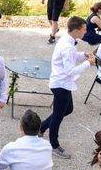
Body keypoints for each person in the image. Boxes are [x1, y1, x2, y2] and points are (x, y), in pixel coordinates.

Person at [40, 16, 96, 159]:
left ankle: (41, 127)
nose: (86, 32)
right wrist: (88, 63)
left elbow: (72, 56)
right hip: (61, 84)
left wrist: (83, 55)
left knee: (68, 109)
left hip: (62, 82)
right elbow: (70, 71)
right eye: (84, 29)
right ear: (76, 30)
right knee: (58, 116)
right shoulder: (67, 46)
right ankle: (54, 145)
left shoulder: (67, 40)